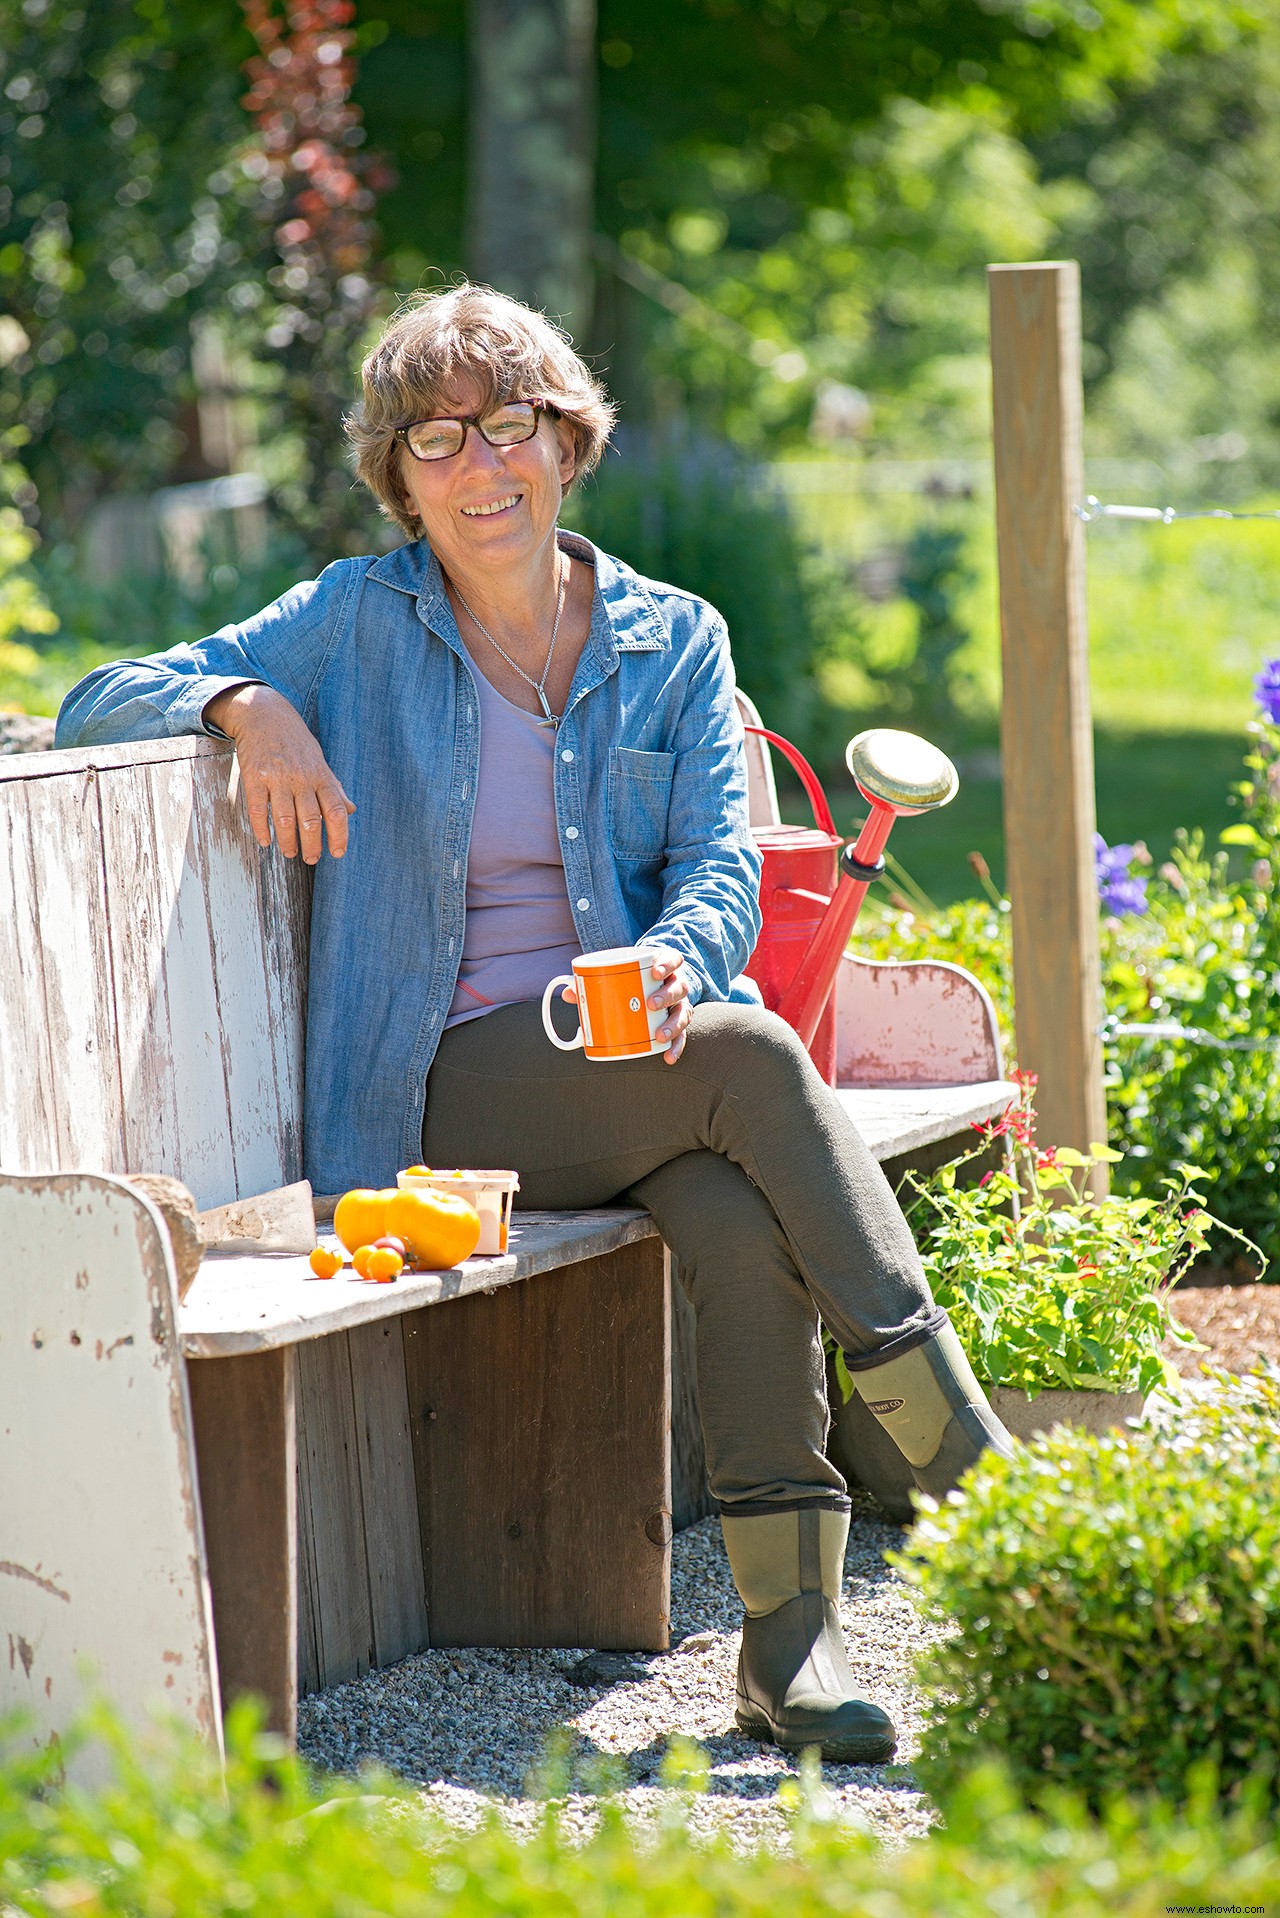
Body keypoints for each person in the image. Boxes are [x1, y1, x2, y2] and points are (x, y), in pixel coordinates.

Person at [57, 283, 1013, 1765]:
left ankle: (788, 1643)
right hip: (444, 1102)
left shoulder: (672, 638)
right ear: (399, 473)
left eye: (509, 424)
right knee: (756, 1063)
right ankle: (971, 1467)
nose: (478, 463)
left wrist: (680, 968)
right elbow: (99, 696)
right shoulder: (353, 623)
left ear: (566, 439)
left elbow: (718, 864)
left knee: (728, 1199)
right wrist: (249, 703)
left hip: (645, 1075)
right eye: (435, 438)